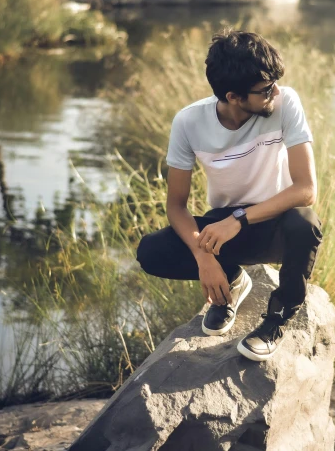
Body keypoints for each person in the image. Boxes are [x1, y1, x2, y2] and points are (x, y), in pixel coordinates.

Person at [135, 29, 322, 362]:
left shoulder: (285, 102)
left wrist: (239, 219)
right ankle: (234, 281)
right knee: (151, 252)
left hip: (272, 222)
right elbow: (176, 206)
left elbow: (306, 190)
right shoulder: (189, 122)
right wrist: (204, 257)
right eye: (265, 89)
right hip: (225, 230)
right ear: (234, 97)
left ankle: (276, 320)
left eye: (275, 83)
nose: (275, 92)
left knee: (305, 224)